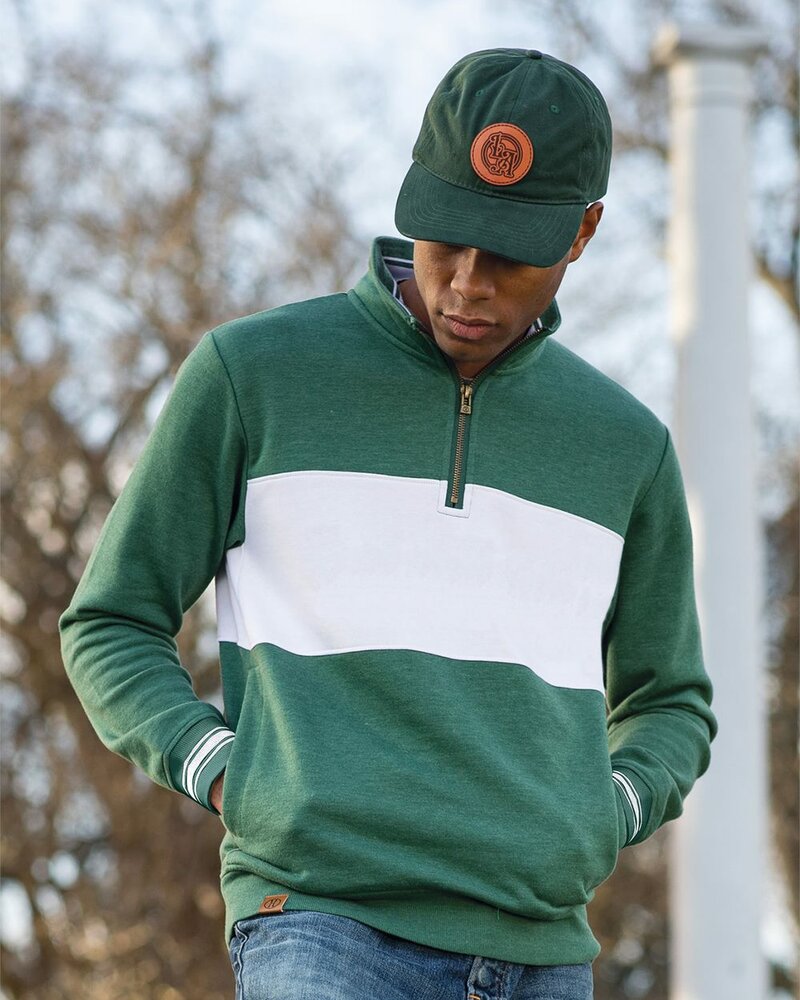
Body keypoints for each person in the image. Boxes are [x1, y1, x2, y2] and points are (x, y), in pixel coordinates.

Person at [60, 48, 717, 1000]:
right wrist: (228, 772)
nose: (467, 283)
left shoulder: (626, 447)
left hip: (542, 949)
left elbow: (671, 699)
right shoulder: (256, 376)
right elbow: (110, 619)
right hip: (319, 921)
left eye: (510, 255)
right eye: (448, 238)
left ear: (583, 232)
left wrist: (600, 811)